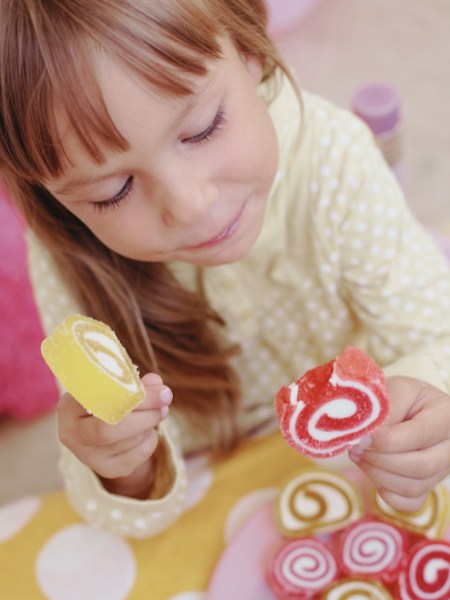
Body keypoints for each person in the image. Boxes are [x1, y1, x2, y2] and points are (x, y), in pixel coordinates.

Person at [1, 0, 450, 540]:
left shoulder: (333, 160)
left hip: (352, 450)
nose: (189, 205)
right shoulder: (67, 260)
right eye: (112, 191)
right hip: (207, 467)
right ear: (54, 203)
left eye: (202, 128)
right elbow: (128, 510)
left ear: (250, 48)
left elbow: (438, 336)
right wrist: (121, 466)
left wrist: (424, 399)